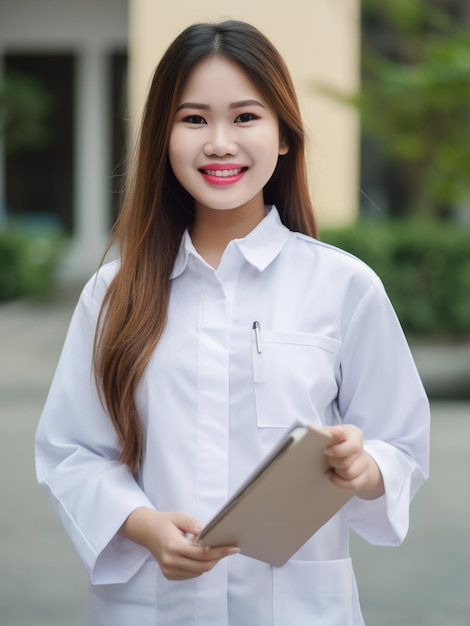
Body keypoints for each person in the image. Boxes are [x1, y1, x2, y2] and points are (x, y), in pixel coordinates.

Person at [35, 19, 430, 626]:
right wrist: (143, 527)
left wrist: (364, 465)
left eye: (245, 117)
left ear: (283, 137)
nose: (219, 142)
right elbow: (72, 451)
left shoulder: (345, 287)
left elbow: (400, 441)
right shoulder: (113, 294)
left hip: (298, 607)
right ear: (163, 137)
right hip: (151, 605)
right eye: (194, 119)